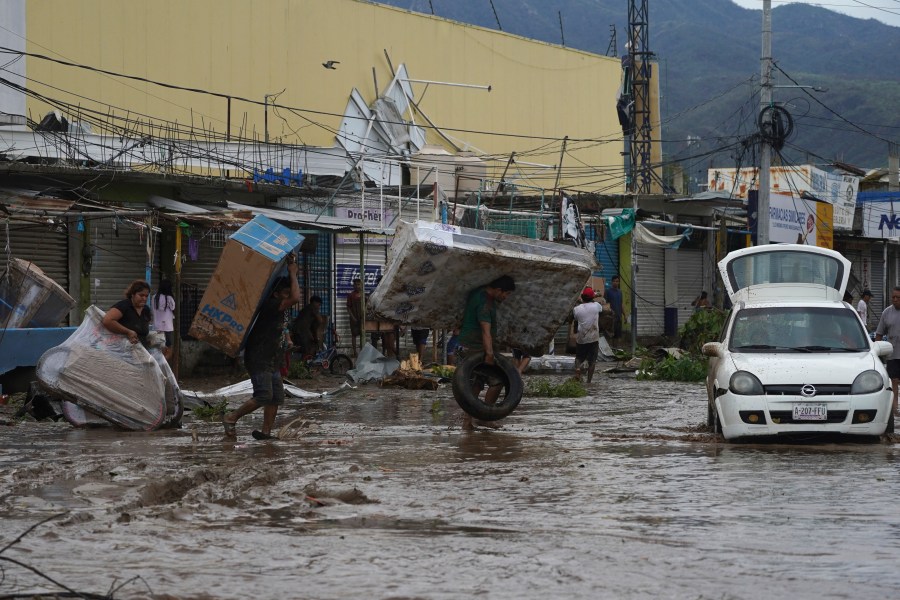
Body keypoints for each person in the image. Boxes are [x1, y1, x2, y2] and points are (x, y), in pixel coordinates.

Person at [223, 260, 301, 440]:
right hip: (259, 358)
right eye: (285, 294)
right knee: (264, 395)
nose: (288, 297)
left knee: (276, 397)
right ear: (275, 294)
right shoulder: (272, 305)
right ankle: (231, 417)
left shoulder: (281, 310)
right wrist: (293, 273)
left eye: (288, 293)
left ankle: (266, 432)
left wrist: (288, 340)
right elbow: (296, 298)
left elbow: (283, 327)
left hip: (272, 360)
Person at [458, 275, 516, 429]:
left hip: (467, 343)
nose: (506, 297)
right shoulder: (486, 305)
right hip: (477, 346)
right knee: (497, 381)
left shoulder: (477, 292)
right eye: (506, 293)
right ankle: (485, 416)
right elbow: (486, 332)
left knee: (476, 383)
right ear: (498, 290)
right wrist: (490, 354)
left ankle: (467, 421)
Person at [102, 280, 152, 346]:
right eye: (141, 295)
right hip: (121, 351)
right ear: (133, 294)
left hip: (141, 352)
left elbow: (144, 329)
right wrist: (128, 332)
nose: (144, 298)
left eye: (146, 296)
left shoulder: (146, 309)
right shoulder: (124, 306)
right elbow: (107, 321)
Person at [875, 286, 900, 418]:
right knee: (893, 381)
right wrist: (877, 352)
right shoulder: (887, 312)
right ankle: (895, 409)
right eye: (893, 297)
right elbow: (879, 334)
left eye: (898, 298)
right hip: (892, 354)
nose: (895, 300)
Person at [572, 286, 602, 383]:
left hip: (581, 338)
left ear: (582, 297)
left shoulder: (576, 309)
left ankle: (577, 370)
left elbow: (575, 318)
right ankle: (589, 382)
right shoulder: (596, 306)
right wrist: (596, 295)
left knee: (579, 358)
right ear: (592, 298)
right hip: (593, 338)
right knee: (592, 361)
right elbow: (600, 306)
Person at [152, 279, 176, 361]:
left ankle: (159, 361)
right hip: (167, 326)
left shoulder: (154, 297)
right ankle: (166, 361)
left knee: (159, 345)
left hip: (157, 325)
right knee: (168, 344)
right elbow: (173, 307)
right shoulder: (169, 298)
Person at [346, 279, 363, 356]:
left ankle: (362, 352)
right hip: (354, 318)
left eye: (359, 284)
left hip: (362, 318)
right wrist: (353, 318)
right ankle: (355, 352)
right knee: (354, 335)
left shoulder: (363, 295)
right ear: (353, 285)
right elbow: (348, 308)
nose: (357, 286)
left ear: (361, 285)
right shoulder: (351, 295)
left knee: (362, 334)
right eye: (355, 284)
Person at [606, 275, 624, 340]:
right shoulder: (608, 291)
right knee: (610, 335)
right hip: (611, 317)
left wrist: (624, 315)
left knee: (617, 335)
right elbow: (606, 305)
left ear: (619, 282)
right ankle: (610, 349)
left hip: (618, 316)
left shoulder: (620, 292)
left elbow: (621, 304)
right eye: (614, 281)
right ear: (611, 282)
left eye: (617, 281)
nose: (615, 283)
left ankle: (616, 349)